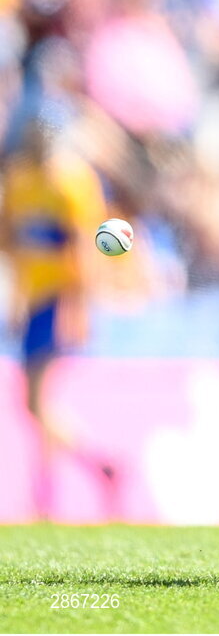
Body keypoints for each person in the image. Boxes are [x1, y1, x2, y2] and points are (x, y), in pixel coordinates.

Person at [0, 113, 116, 518]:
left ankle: (57, 488)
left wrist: (78, 306)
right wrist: (17, 301)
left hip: (56, 301)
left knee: (35, 401)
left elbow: (86, 247)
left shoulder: (72, 181)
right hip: (34, 302)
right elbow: (11, 243)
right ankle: (80, 477)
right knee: (36, 404)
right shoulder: (18, 181)